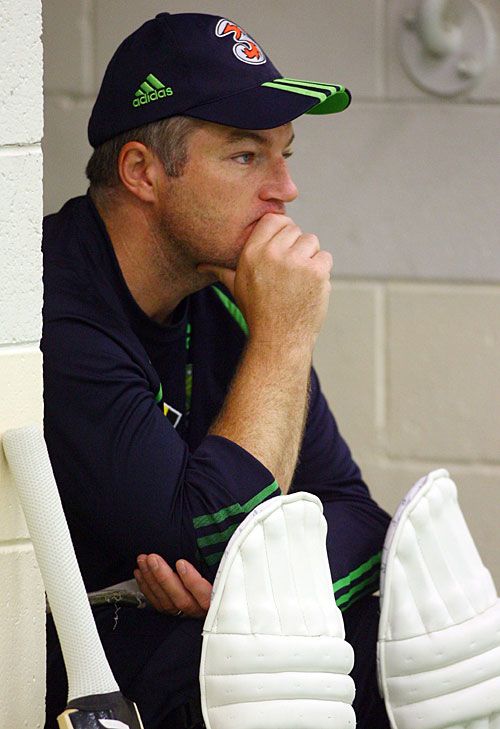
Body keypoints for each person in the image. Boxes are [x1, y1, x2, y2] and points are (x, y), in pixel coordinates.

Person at [42, 12, 391, 729]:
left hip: (169, 651)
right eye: (245, 156)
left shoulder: (222, 292)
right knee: (259, 672)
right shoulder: (52, 306)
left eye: (285, 154)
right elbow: (202, 534)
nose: (285, 189)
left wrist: (247, 584)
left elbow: (362, 522)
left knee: (383, 643)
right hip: (65, 680)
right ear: (143, 171)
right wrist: (286, 337)